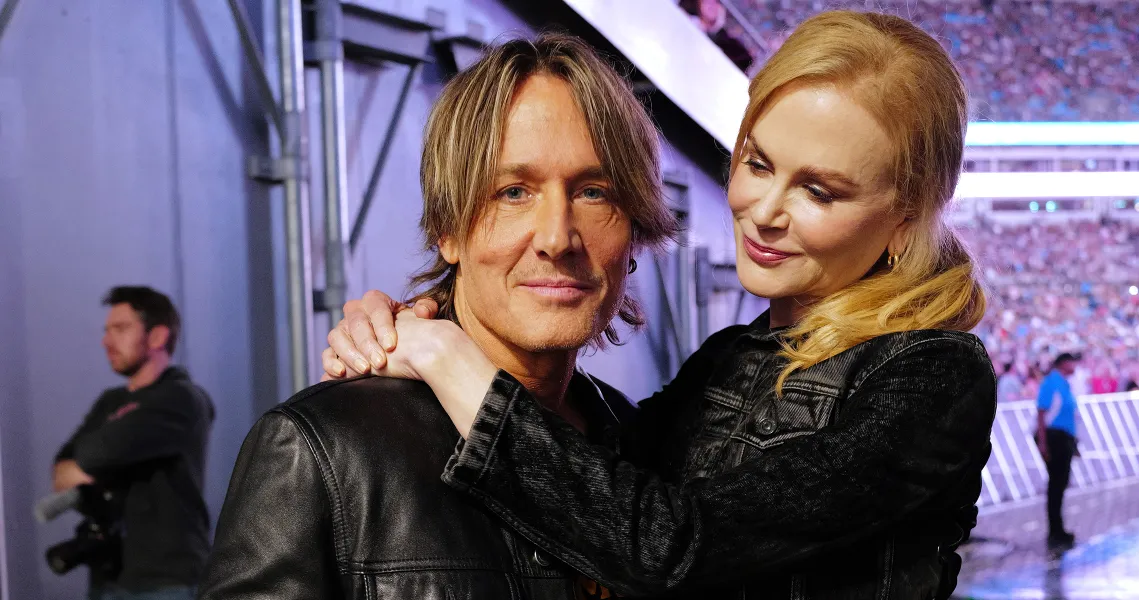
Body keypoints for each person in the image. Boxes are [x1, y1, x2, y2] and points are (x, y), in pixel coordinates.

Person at [324, 11, 997, 599]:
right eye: (758, 164)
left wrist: (449, 355)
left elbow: (667, 546)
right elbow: (593, 484)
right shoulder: (729, 359)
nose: (764, 213)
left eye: (818, 191)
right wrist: (415, 319)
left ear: (907, 216)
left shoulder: (932, 375)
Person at [196, 34, 676, 600]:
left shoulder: (649, 453)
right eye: (513, 192)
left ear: (635, 230)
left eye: (594, 192)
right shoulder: (321, 448)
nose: (556, 238)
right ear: (447, 230)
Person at [54, 286, 214, 600]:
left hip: (166, 581)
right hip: (108, 577)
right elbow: (62, 469)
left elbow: (96, 453)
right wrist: (89, 462)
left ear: (157, 336)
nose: (107, 341)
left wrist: (90, 466)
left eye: (121, 328)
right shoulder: (110, 401)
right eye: (107, 331)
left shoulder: (182, 398)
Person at [1035, 351, 1082, 548]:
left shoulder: (1064, 383)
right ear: (1063, 363)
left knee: (1060, 484)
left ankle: (1058, 529)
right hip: (1054, 438)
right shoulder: (1052, 382)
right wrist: (1043, 442)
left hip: (1064, 439)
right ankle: (1055, 531)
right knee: (1056, 484)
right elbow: (1041, 413)